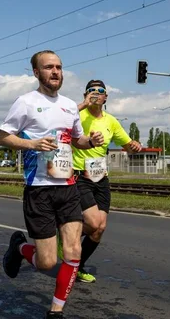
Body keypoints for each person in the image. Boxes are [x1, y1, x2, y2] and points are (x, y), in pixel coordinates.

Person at [0, 50, 105, 319]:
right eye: (48, 67)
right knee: (46, 262)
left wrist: (90, 141)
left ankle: (55, 311)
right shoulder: (26, 102)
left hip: (68, 187)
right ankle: (19, 247)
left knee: (73, 250)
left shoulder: (69, 105)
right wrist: (31, 143)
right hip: (39, 189)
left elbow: (76, 139)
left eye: (58, 67)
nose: (55, 72)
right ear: (36, 72)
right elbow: (2, 137)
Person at [60, 80, 142, 283]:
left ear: (106, 97)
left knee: (99, 229)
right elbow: (59, 122)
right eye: (92, 91)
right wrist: (82, 104)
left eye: (100, 91)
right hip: (80, 176)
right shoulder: (77, 115)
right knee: (93, 222)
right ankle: (68, 236)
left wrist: (134, 146)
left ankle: (77, 266)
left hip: (101, 178)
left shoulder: (111, 121)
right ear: (86, 94)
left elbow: (127, 146)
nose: (96, 94)